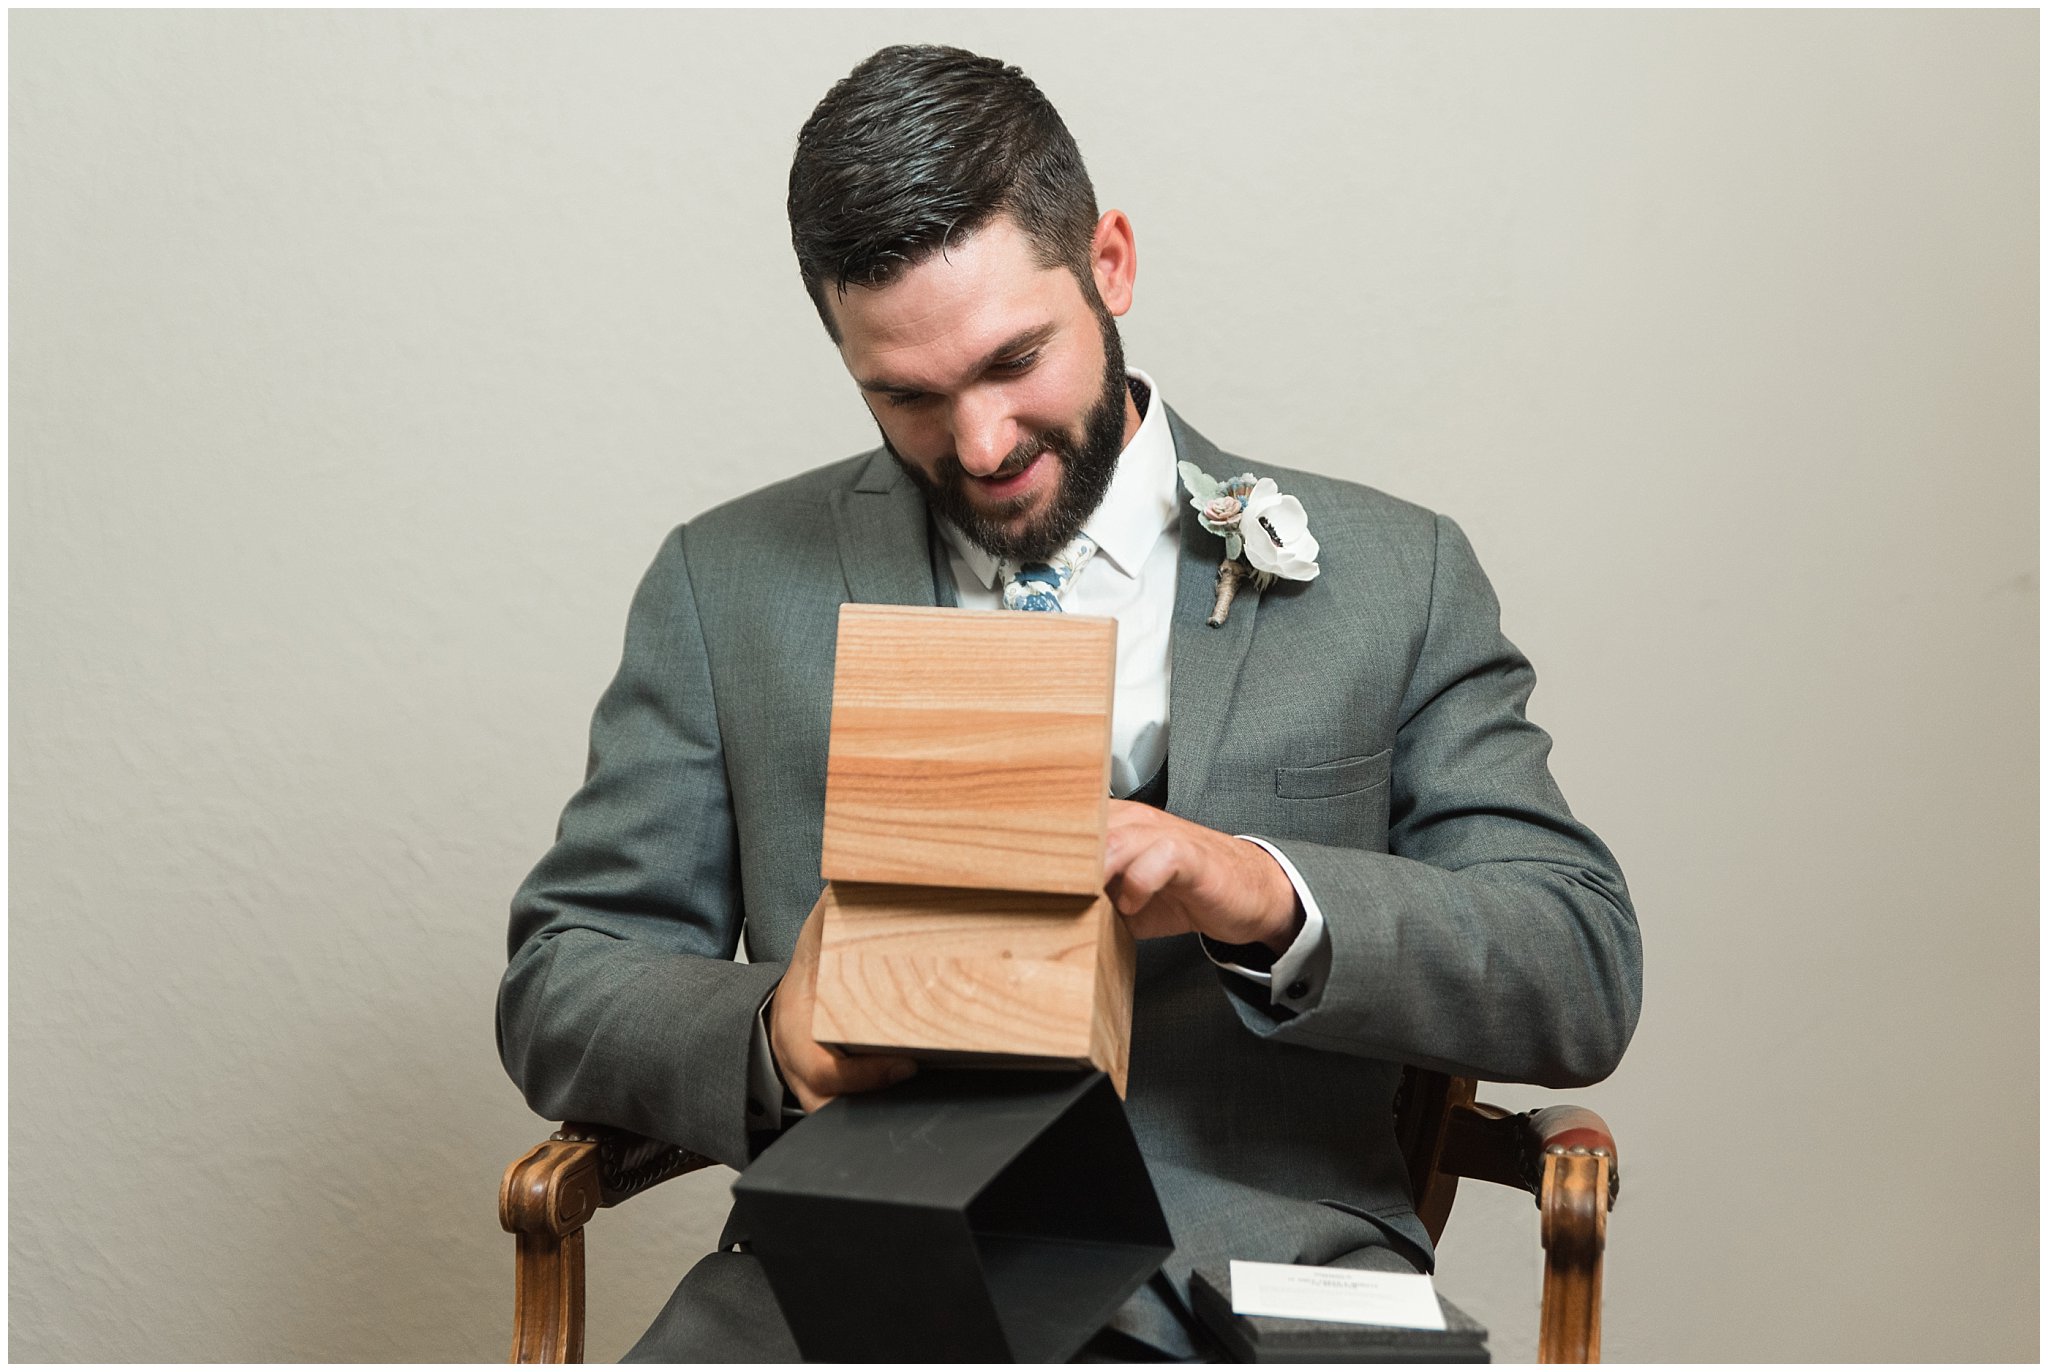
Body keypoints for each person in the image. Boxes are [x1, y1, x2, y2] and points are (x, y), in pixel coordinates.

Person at [498, 43, 1641, 1362]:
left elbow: (1578, 966)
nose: (979, 445)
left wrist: (1259, 891)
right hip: (848, 1292)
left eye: (1013, 362)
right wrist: (769, 1032)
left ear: (1111, 263)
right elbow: (560, 981)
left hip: (1272, 1292)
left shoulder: (1396, 575)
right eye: (907, 397)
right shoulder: (725, 586)